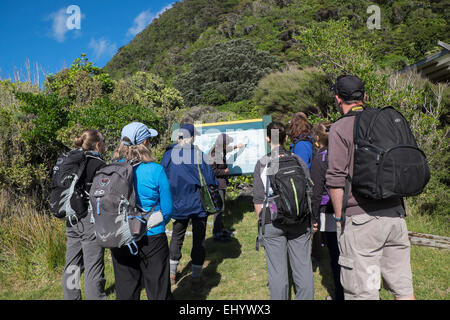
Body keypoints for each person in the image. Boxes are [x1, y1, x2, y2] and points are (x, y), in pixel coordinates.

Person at [326, 74, 415, 300]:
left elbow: (336, 177)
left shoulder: (340, 128)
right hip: (395, 216)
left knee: (364, 292)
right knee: (403, 290)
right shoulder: (384, 121)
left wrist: (339, 218)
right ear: (364, 96)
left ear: (338, 99)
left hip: (361, 221)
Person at [110, 122, 173, 300]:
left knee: (126, 292)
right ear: (145, 142)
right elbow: (168, 210)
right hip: (152, 235)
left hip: (121, 236)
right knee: (158, 290)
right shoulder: (156, 170)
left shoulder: (112, 169)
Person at [253, 121, 314, 300]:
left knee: (277, 273)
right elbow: (308, 190)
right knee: (303, 268)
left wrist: (261, 223)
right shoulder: (297, 160)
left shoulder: (263, 163)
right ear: (286, 137)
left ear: (267, 138)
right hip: (299, 219)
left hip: (272, 220)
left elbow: (258, 198)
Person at [161, 123, 218, 287]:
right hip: (198, 204)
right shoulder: (198, 154)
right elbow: (210, 179)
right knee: (199, 239)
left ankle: (172, 275)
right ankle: (196, 275)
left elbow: (162, 178)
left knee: (176, 237)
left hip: (177, 204)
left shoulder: (168, 155)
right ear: (191, 137)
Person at [62, 129, 107, 300]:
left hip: (71, 216)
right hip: (89, 218)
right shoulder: (98, 164)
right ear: (97, 144)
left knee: (72, 264)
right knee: (93, 266)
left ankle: (71, 297)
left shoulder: (73, 161)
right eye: (103, 142)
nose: (104, 146)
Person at [310, 122, 344, 300]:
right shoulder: (343, 152)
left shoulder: (319, 159)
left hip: (328, 211)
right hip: (348, 209)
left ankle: (340, 295)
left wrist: (314, 217)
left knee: (336, 256)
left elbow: (316, 192)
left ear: (317, 138)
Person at [208, 133, 245, 242]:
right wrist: (224, 171)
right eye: (227, 143)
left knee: (221, 208)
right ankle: (217, 234)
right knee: (219, 209)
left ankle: (221, 229)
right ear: (222, 144)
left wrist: (236, 147)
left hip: (221, 184)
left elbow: (227, 150)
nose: (228, 145)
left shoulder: (219, 150)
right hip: (218, 185)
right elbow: (213, 171)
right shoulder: (214, 154)